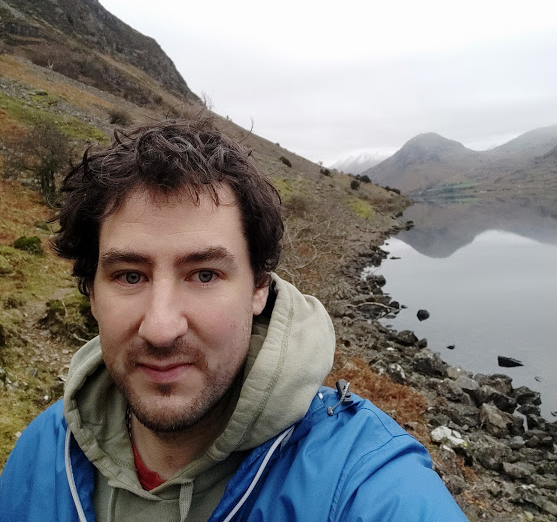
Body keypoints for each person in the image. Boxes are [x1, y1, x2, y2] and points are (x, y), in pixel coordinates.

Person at [0, 119, 468, 521]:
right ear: (92, 294)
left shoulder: (361, 479)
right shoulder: (42, 452)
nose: (161, 328)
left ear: (259, 288)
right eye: (129, 276)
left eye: (204, 274)